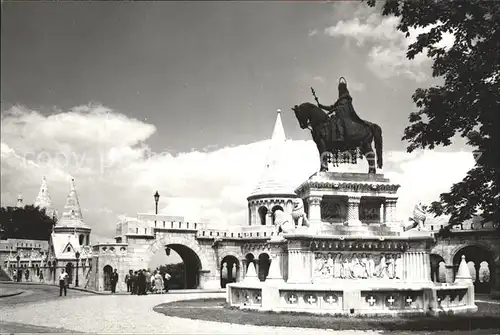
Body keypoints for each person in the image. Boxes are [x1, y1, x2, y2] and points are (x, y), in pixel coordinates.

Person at [317, 77, 365, 142]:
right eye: (339, 89)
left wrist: (334, 109)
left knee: (338, 122)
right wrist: (321, 106)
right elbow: (331, 107)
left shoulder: (346, 97)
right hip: (339, 116)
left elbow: (341, 107)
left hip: (345, 116)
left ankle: (340, 136)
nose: (340, 91)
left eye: (341, 89)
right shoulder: (339, 100)